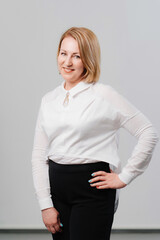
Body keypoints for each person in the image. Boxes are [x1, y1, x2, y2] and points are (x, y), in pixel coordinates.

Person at [31, 27, 159, 240]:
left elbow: (148, 132)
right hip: (58, 192)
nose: (67, 62)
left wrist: (125, 176)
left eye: (77, 56)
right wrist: (45, 204)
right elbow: (38, 154)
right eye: (63, 53)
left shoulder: (103, 95)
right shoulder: (48, 100)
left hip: (91, 191)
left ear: (88, 59)